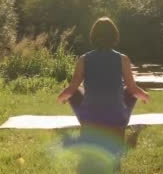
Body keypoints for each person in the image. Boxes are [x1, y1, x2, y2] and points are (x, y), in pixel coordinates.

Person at [57, 17, 151, 148]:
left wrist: (61, 98)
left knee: (76, 92)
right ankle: (120, 127)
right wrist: (145, 96)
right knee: (129, 91)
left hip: (89, 120)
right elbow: (133, 89)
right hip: (117, 120)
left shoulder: (83, 59)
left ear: (93, 37)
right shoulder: (123, 59)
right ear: (114, 36)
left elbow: (72, 89)